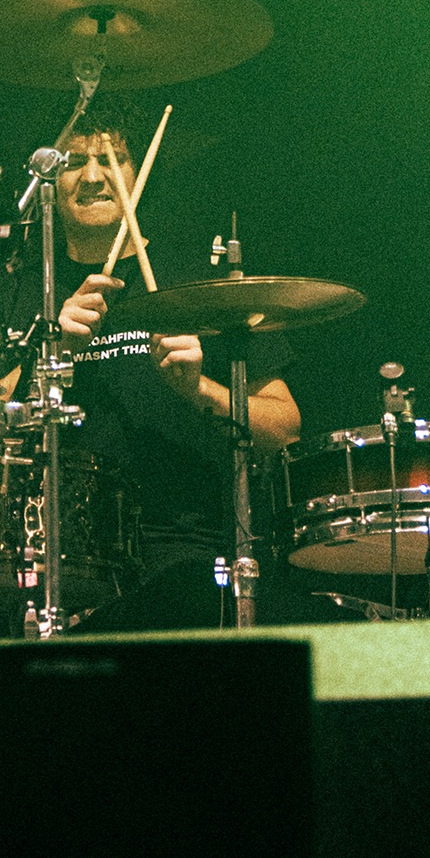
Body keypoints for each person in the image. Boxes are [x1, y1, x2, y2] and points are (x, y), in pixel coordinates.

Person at [44, 111, 301, 630]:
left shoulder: (201, 284)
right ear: (50, 179)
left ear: (137, 174)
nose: (92, 176)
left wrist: (199, 388)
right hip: (65, 554)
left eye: (111, 159)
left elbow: (285, 429)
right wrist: (53, 354)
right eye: (73, 162)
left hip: (190, 551)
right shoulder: (34, 285)